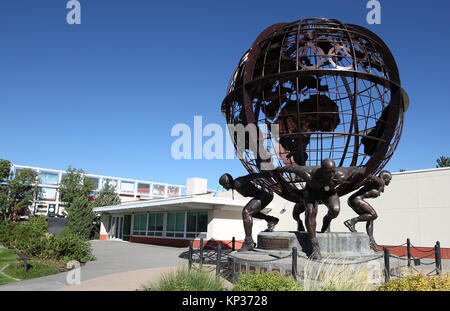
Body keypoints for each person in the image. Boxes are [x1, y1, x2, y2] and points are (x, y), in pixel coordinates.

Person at [278, 159, 365, 259]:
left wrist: (375, 178)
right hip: (312, 192)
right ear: (322, 170)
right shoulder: (309, 172)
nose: (332, 174)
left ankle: (327, 220)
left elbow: (357, 170)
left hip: (328, 192)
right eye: (329, 172)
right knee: (310, 212)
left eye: (333, 171)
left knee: (335, 210)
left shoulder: (341, 174)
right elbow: (291, 168)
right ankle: (315, 246)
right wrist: (276, 170)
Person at [219, 172, 279, 252]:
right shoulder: (236, 186)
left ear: (227, 182)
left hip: (265, 194)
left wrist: (265, 174)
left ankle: (249, 242)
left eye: (223, 185)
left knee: (246, 212)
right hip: (263, 195)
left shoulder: (238, 181)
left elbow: (252, 176)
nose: (224, 187)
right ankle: (271, 219)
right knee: (251, 213)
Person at [344, 170, 392, 252]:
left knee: (370, 218)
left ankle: (371, 240)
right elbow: (370, 176)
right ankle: (352, 221)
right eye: (389, 179)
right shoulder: (380, 181)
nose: (390, 181)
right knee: (374, 215)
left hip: (355, 199)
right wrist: (361, 171)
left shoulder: (379, 185)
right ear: (385, 178)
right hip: (356, 199)